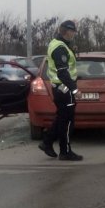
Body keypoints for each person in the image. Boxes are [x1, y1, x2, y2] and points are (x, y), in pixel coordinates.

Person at [38, 20, 84, 161]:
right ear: (67, 31)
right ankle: (65, 151)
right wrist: (75, 89)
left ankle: (47, 142)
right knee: (68, 121)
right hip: (64, 89)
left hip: (59, 87)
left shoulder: (57, 44)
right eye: (73, 31)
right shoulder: (60, 48)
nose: (74, 33)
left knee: (61, 119)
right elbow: (63, 72)